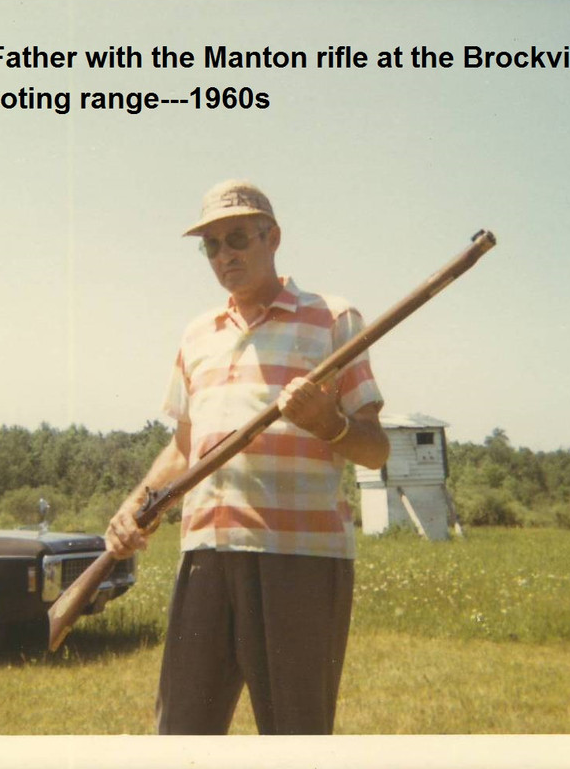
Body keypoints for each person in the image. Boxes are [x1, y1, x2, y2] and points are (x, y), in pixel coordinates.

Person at [105, 180, 389, 735]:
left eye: (236, 238)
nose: (224, 255)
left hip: (299, 557)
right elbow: (187, 445)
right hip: (205, 553)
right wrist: (135, 505)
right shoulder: (197, 333)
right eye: (210, 246)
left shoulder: (333, 318)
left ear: (272, 237)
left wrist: (327, 423)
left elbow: (376, 449)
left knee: (294, 734)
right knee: (182, 733)